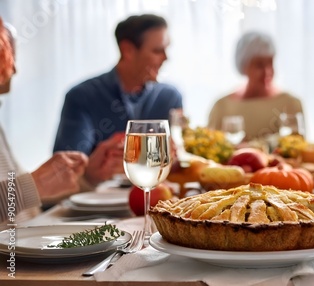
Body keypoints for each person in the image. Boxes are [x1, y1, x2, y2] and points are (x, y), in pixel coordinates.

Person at [53, 14, 183, 187]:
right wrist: (94, 168)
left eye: (166, 49)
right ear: (127, 50)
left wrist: (177, 156)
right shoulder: (82, 97)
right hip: (95, 205)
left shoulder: (170, 97)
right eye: (157, 51)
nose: (166, 58)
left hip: (155, 199)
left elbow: (179, 160)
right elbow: (64, 171)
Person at [0, 18, 88, 226]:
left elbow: (27, 205)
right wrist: (34, 185)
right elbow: (26, 193)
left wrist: (91, 176)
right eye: (9, 57)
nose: (15, 71)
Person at [207, 31, 304, 142]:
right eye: (259, 65)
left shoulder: (291, 103)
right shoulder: (222, 107)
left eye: (270, 63)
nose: (267, 71)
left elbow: (299, 149)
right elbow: (210, 151)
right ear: (243, 65)